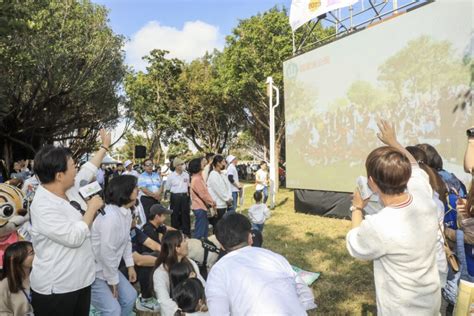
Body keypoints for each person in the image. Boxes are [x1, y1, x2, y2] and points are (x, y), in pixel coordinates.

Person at [346, 120, 440, 315]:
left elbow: (355, 244)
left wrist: (357, 207)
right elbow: (414, 166)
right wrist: (393, 142)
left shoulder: (379, 225)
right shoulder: (423, 195)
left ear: (371, 183)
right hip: (430, 303)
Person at [29, 129, 110, 316]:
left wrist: (104, 146)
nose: (76, 170)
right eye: (73, 166)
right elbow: (73, 237)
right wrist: (91, 209)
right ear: (59, 175)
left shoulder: (70, 188)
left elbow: (89, 169)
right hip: (57, 287)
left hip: (81, 280)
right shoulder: (42, 206)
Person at [206, 213, 314, 315]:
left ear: (222, 246)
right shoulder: (275, 257)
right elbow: (306, 294)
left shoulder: (218, 272)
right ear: (250, 238)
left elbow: (218, 312)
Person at [90, 175, 138, 315]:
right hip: (94, 272)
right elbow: (107, 252)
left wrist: (130, 266)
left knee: (130, 297)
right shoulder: (110, 217)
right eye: (134, 188)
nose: (137, 190)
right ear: (125, 192)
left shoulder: (126, 212)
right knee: (113, 310)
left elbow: (127, 241)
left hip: (109, 268)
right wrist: (113, 281)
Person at [152, 231, 206, 316]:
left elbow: (203, 284)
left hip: (196, 309)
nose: (187, 242)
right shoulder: (160, 273)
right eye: (184, 240)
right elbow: (164, 300)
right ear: (177, 248)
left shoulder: (190, 263)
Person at [0, 241, 34, 315]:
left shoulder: (39, 277)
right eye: (31, 253)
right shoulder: (4, 285)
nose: (36, 255)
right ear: (17, 258)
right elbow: (2, 312)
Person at [189, 158, 215, 239]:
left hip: (201, 206)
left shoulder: (199, 177)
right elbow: (203, 194)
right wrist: (212, 202)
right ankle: (199, 246)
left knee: (204, 229)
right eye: (201, 163)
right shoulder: (197, 179)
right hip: (199, 207)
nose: (204, 164)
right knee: (201, 231)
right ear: (197, 166)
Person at [166, 158, 191, 235]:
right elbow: (168, 187)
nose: (182, 166)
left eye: (182, 164)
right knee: (175, 214)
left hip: (184, 197)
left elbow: (188, 185)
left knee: (185, 214)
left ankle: (186, 232)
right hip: (175, 197)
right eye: (180, 164)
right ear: (176, 166)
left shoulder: (186, 174)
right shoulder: (171, 176)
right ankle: (175, 232)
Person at [206, 155, 233, 224]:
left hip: (224, 204)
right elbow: (219, 190)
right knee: (218, 226)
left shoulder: (222, 174)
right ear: (218, 163)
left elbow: (228, 186)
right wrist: (227, 199)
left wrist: (230, 197)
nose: (225, 164)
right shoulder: (213, 175)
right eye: (223, 162)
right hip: (218, 205)